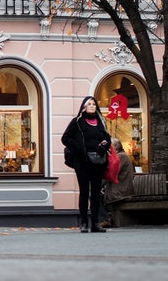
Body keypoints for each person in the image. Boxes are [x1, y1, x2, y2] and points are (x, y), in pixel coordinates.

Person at [62, 96, 111, 233]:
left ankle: (95, 223)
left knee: (95, 193)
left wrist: (105, 145)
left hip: (98, 161)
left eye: (94, 104)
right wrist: (79, 148)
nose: (92, 106)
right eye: (89, 104)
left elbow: (107, 138)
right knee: (84, 192)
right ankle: (84, 222)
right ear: (84, 107)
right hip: (83, 161)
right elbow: (65, 138)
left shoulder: (101, 121)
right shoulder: (77, 122)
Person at [100, 138, 135, 227]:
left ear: (115, 148)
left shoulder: (120, 157)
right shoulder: (120, 156)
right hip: (121, 189)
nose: (107, 149)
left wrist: (97, 185)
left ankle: (105, 219)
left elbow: (110, 173)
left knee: (93, 195)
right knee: (95, 195)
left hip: (120, 192)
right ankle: (104, 218)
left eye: (109, 147)